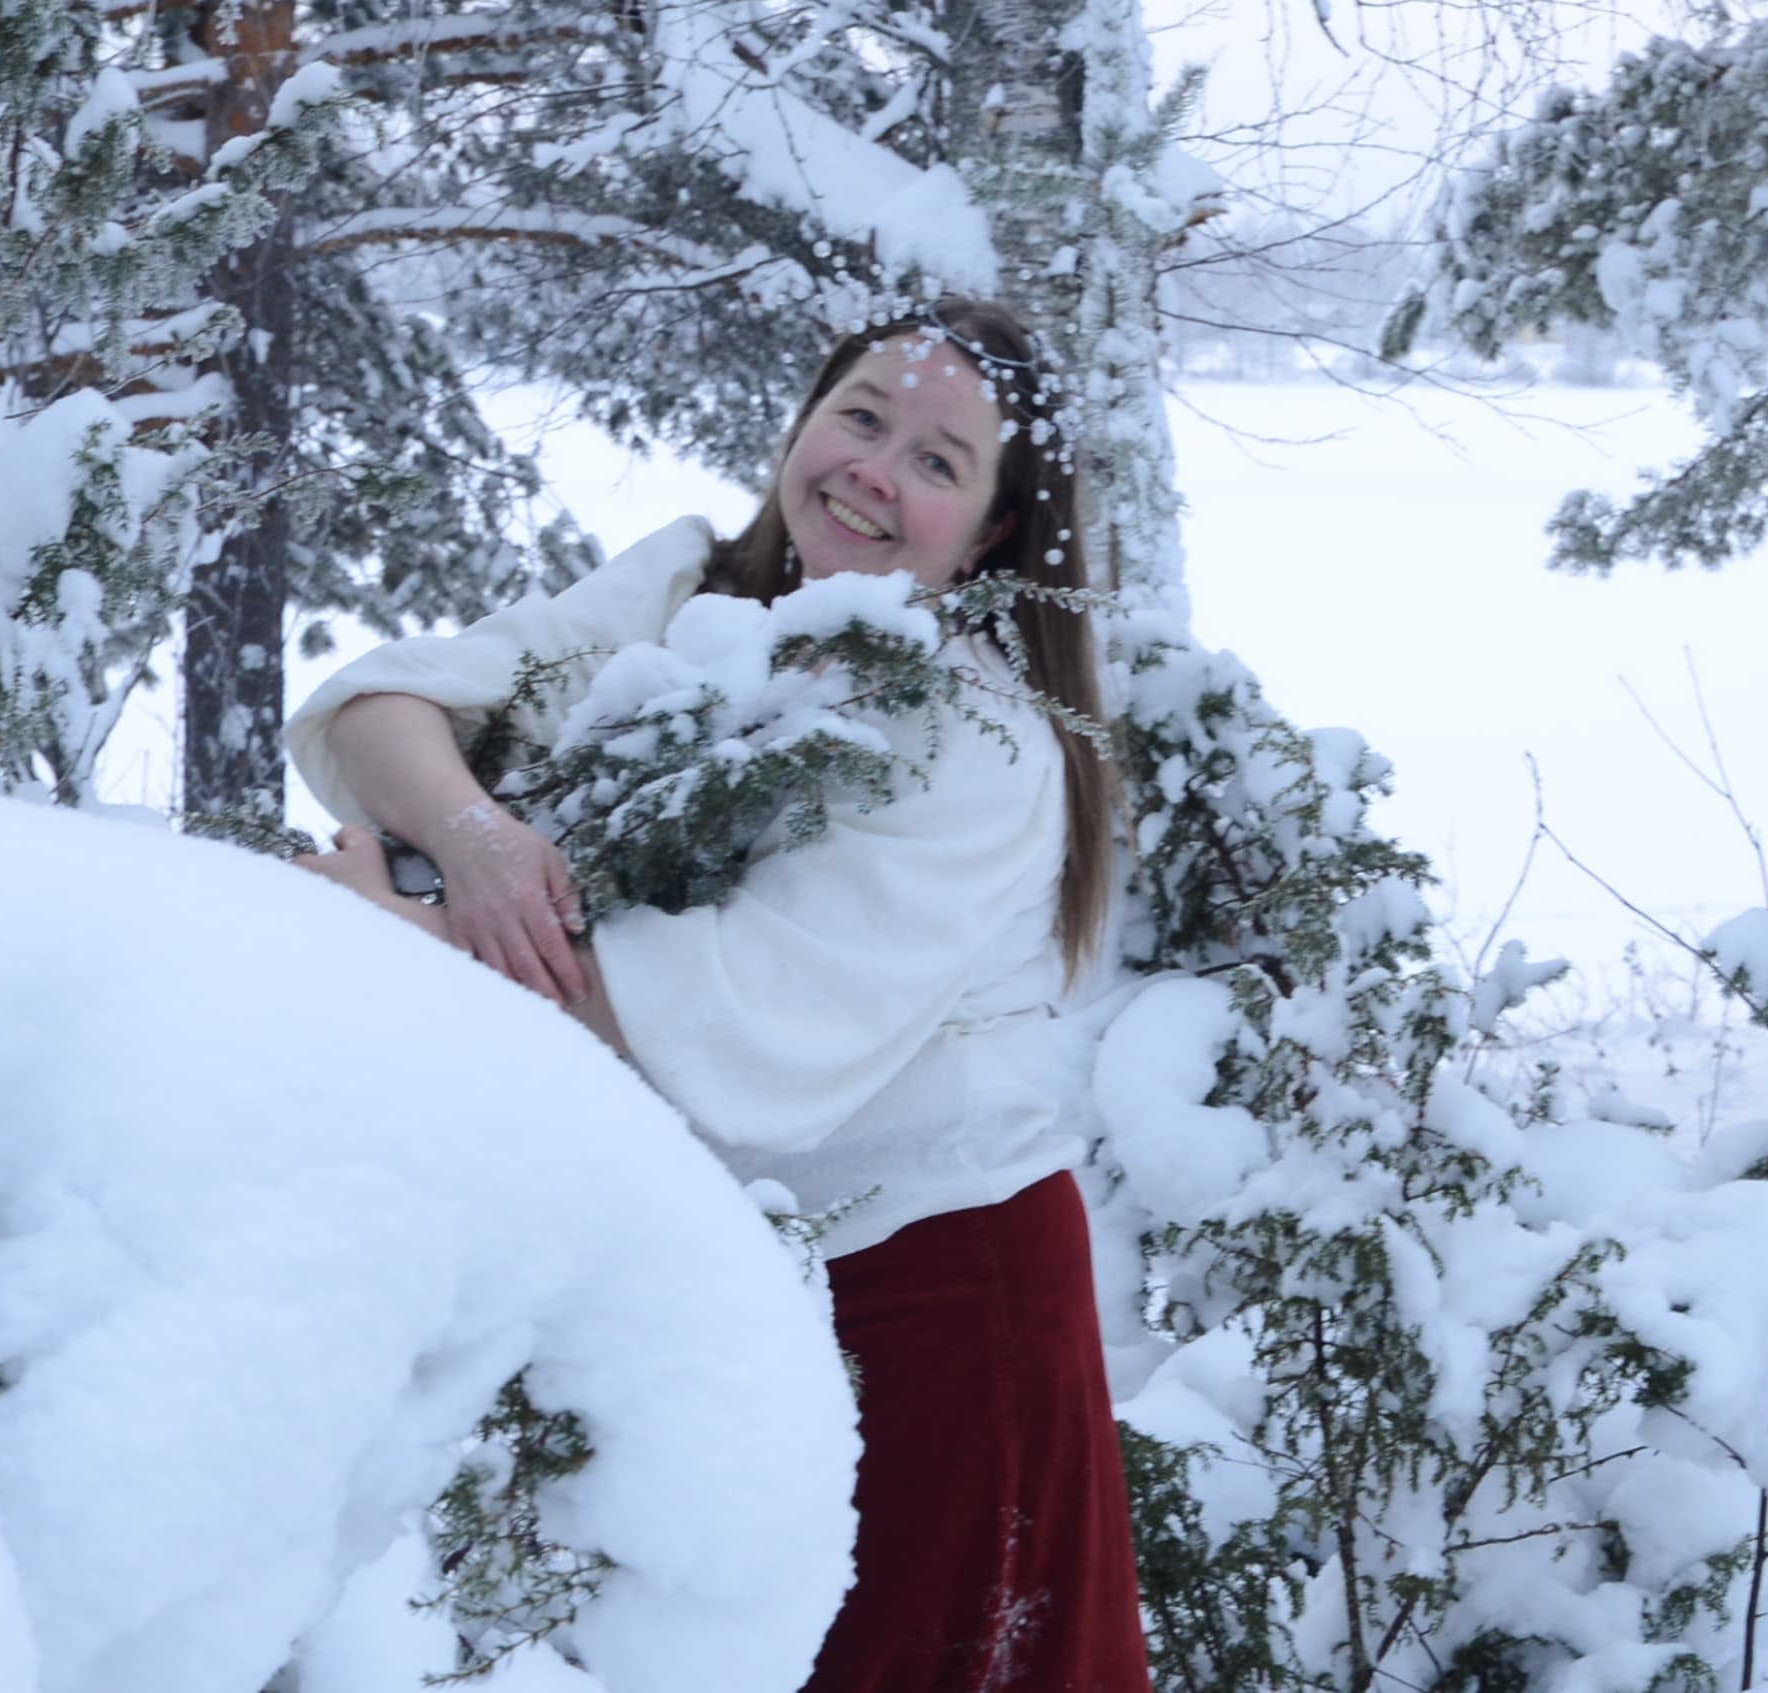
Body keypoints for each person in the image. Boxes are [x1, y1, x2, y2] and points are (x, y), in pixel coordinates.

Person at [285, 298, 1147, 1691]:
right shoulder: (693, 589)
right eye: (861, 416)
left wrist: (386, 920)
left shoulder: (981, 744)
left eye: (937, 462)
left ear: (991, 533)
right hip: (714, 1279)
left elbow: (697, 1025)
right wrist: (476, 843)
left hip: (932, 1300)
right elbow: (385, 707)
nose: (874, 468)